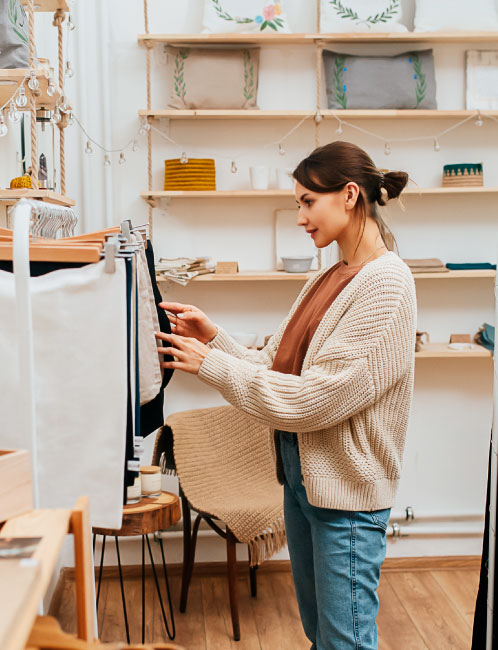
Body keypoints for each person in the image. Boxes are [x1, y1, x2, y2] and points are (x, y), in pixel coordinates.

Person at [155, 141, 417, 650]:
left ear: (348, 196)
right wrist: (215, 338)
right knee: (321, 635)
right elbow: (278, 366)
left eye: (306, 202)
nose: (299, 217)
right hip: (303, 480)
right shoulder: (329, 274)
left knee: (347, 642)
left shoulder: (387, 283)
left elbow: (313, 401)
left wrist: (211, 364)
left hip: (346, 497)